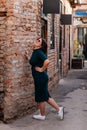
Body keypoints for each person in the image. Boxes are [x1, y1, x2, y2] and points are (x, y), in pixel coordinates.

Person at [25, 38, 64, 120]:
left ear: (41, 45)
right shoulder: (36, 52)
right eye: (36, 39)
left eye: (39, 41)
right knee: (45, 96)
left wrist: (41, 69)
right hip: (40, 77)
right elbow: (34, 62)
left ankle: (43, 115)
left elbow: (47, 61)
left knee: (42, 97)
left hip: (40, 77)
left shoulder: (39, 52)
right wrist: (28, 57)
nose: (36, 40)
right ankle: (58, 109)